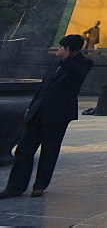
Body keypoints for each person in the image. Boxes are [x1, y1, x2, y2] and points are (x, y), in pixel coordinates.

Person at [0, 34, 93, 199]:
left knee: (49, 151)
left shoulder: (84, 63)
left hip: (58, 114)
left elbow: (77, 74)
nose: (60, 51)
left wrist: (66, 60)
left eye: (64, 49)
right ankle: (15, 187)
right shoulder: (55, 61)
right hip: (39, 111)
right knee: (24, 150)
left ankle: (40, 185)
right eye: (61, 47)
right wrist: (31, 106)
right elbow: (44, 86)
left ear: (76, 51)